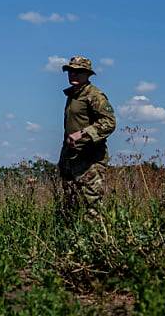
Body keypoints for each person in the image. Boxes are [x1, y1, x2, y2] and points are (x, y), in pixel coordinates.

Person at [58, 56, 116, 214]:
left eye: (78, 72)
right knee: (71, 206)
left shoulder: (94, 95)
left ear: (87, 74)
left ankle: (98, 237)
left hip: (90, 160)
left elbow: (109, 122)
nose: (73, 74)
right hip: (72, 159)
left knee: (92, 206)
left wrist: (82, 134)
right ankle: (73, 237)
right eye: (70, 71)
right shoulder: (73, 95)